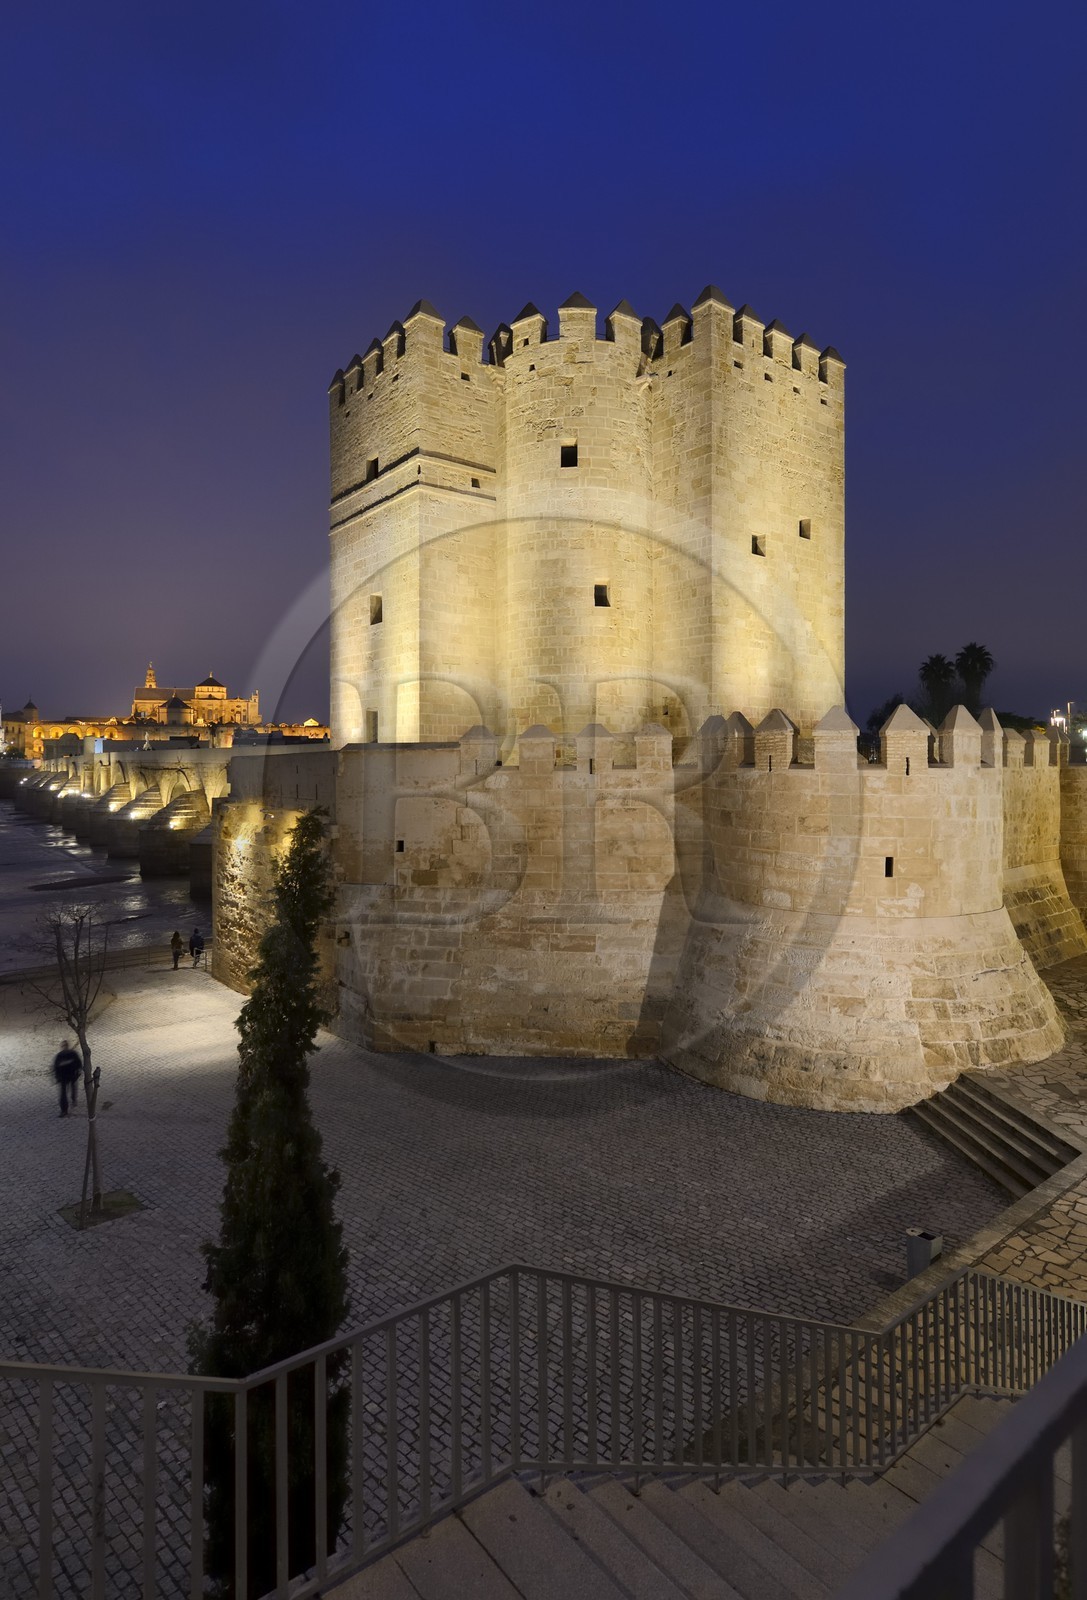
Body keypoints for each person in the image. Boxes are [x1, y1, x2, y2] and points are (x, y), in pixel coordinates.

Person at [52, 1040, 81, 1118]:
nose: (64, 1047)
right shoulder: (60, 1055)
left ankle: (73, 1100)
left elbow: (79, 1064)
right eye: (63, 1046)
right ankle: (64, 1110)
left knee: (72, 1089)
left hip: (71, 1076)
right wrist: (57, 1077)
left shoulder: (72, 1054)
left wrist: (78, 1072)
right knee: (63, 1094)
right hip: (64, 1077)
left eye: (65, 1046)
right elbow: (56, 1067)